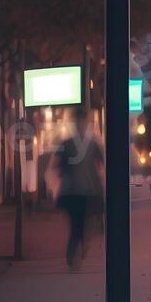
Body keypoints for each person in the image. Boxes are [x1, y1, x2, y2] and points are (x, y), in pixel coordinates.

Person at [54, 107, 104, 270]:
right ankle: (76, 253)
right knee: (81, 226)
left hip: (75, 191)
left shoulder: (68, 144)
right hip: (84, 191)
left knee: (78, 226)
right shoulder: (91, 144)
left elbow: (59, 167)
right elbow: (100, 165)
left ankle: (74, 254)